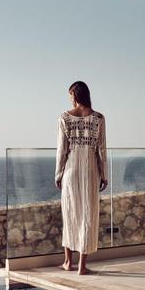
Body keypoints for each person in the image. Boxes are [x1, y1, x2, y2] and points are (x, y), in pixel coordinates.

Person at [55, 81, 108, 275]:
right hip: (90, 169)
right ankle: (82, 266)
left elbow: (62, 149)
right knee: (88, 214)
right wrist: (104, 174)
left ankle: (68, 262)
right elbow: (101, 149)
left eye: (70, 95)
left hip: (70, 168)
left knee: (69, 213)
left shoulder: (64, 117)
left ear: (75, 95)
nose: (70, 99)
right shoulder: (99, 118)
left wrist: (58, 173)